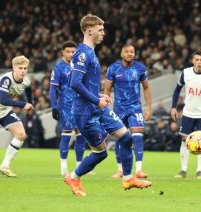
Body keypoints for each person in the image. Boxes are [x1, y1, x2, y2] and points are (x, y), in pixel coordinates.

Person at [64, 14, 151, 197]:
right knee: (101, 153)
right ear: (89, 31)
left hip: (97, 107)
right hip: (85, 113)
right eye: (100, 30)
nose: (104, 33)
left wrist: (98, 95)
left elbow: (85, 84)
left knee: (127, 138)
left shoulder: (90, 53)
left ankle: (128, 179)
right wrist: (96, 100)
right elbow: (75, 83)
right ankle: (73, 177)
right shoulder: (82, 54)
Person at [104, 44, 152, 178]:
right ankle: (120, 170)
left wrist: (148, 108)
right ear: (121, 54)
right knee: (121, 138)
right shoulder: (113, 68)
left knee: (138, 136)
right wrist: (106, 107)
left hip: (135, 107)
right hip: (118, 109)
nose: (130, 54)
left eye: (132, 51)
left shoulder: (140, 68)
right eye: (127, 51)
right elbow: (107, 88)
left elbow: (146, 88)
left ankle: (138, 170)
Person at [171, 50, 201, 179]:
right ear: (193, 61)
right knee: (184, 141)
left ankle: (199, 171)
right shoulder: (186, 73)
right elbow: (176, 91)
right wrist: (173, 107)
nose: (199, 62)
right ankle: (183, 170)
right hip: (188, 113)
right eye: (196, 60)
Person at [50, 41, 86, 176]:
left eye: (73, 52)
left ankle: (79, 167)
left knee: (81, 136)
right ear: (63, 52)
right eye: (68, 52)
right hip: (65, 105)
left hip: (81, 104)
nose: (71, 54)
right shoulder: (59, 68)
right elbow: (53, 88)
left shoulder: (81, 66)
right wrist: (54, 106)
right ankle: (63, 166)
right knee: (66, 134)